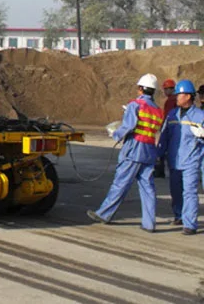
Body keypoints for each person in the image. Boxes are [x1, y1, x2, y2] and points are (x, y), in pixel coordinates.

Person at [87, 74, 165, 232]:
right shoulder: (158, 110)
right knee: (147, 188)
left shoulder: (135, 105)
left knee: (121, 183)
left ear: (141, 89)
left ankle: (104, 213)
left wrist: (115, 134)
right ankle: (149, 223)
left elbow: (129, 125)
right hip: (149, 150)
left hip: (134, 149)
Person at [157, 79, 204, 234]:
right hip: (174, 160)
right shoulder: (172, 115)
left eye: (179, 94)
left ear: (188, 96)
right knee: (176, 191)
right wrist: (158, 154)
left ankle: (190, 224)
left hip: (191, 161)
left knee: (189, 192)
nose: (176, 97)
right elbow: (164, 136)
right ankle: (179, 215)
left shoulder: (200, 116)